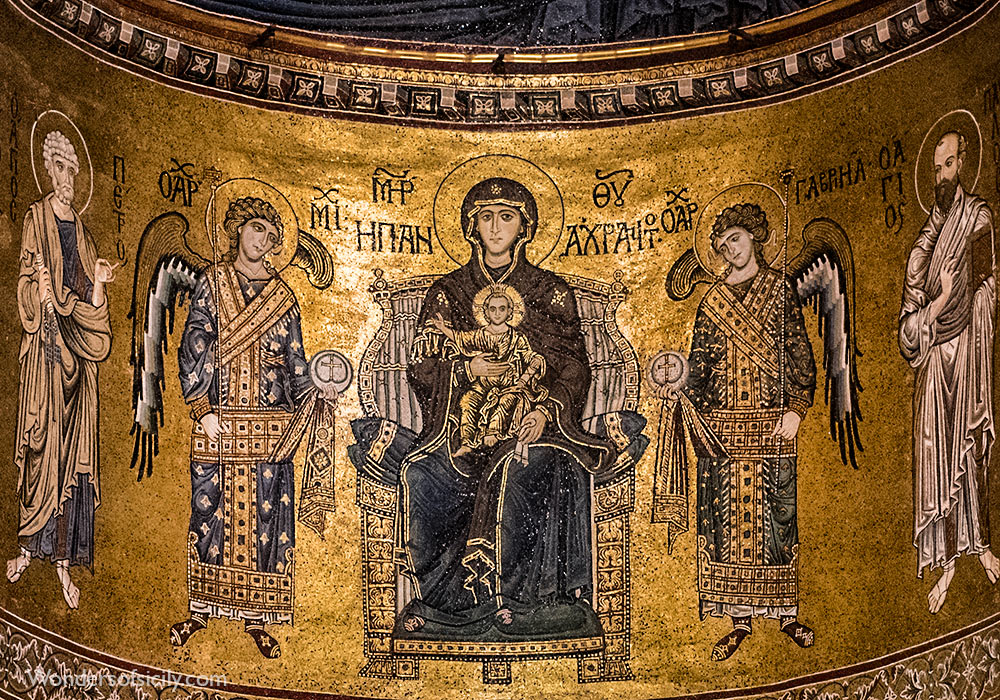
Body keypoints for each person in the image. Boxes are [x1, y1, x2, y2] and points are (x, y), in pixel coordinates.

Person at [396, 177, 621, 639]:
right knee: (422, 475)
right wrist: (465, 368)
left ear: (525, 227)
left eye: (507, 217)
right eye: (485, 217)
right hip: (459, 428)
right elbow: (421, 363)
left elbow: (574, 366)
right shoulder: (449, 292)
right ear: (470, 227)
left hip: (533, 424)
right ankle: (448, 604)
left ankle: (522, 603)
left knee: (526, 468)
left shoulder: (548, 290)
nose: (495, 227)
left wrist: (546, 413)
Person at [167, 196, 336, 658]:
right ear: (236, 230)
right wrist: (200, 405)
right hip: (219, 419)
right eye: (255, 228)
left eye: (270, 232)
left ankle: (257, 617)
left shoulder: (284, 298)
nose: (262, 239)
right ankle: (200, 610)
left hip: (268, 425)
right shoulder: (213, 283)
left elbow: (296, 361)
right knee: (209, 512)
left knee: (267, 517)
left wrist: (316, 390)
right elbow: (194, 342)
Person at [686, 203, 817, 660]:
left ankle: (786, 614)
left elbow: (798, 350)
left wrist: (798, 408)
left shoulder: (779, 290)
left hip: (771, 424)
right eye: (722, 246)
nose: (730, 250)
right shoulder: (713, 302)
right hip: (723, 432)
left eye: (736, 240)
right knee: (727, 522)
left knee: (779, 519)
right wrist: (678, 385)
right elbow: (699, 367)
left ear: (755, 238)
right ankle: (738, 620)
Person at [8, 130, 116, 609]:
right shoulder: (34, 218)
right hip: (46, 356)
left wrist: (97, 282)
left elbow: (95, 308)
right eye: (59, 169)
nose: (67, 178)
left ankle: (64, 563)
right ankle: (27, 549)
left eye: (72, 170)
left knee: (75, 462)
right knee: (40, 447)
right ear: (47, 171)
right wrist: (41, 293)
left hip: (79, 360)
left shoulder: (86, 235)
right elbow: (25, 285)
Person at [898, 130, 999, 614]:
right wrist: (936, 305)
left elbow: (988, 284)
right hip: (936, 363)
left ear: (963, 164)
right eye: (935, 169)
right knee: (939, 461)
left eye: (948, 165)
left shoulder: (978, 218)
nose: (941, 175)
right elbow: (905, 330)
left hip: (971, 354)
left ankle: (979, 546)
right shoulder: (921, 250)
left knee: (967, 453)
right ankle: (946, 563)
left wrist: (973, 307)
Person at [425, 284, 547, 458]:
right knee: (467, 401)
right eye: (493, 309)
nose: (497, 313)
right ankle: (467, 443)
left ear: (509, 312)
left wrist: (531, 367)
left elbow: (528, 356)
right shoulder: (480, 335)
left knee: (506, 401)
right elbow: (461, 338)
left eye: (502, 309)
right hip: (482, 385)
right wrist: (443, 328)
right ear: (486, 312)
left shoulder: (516, 338)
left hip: (509, 386)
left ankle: (492, 433)